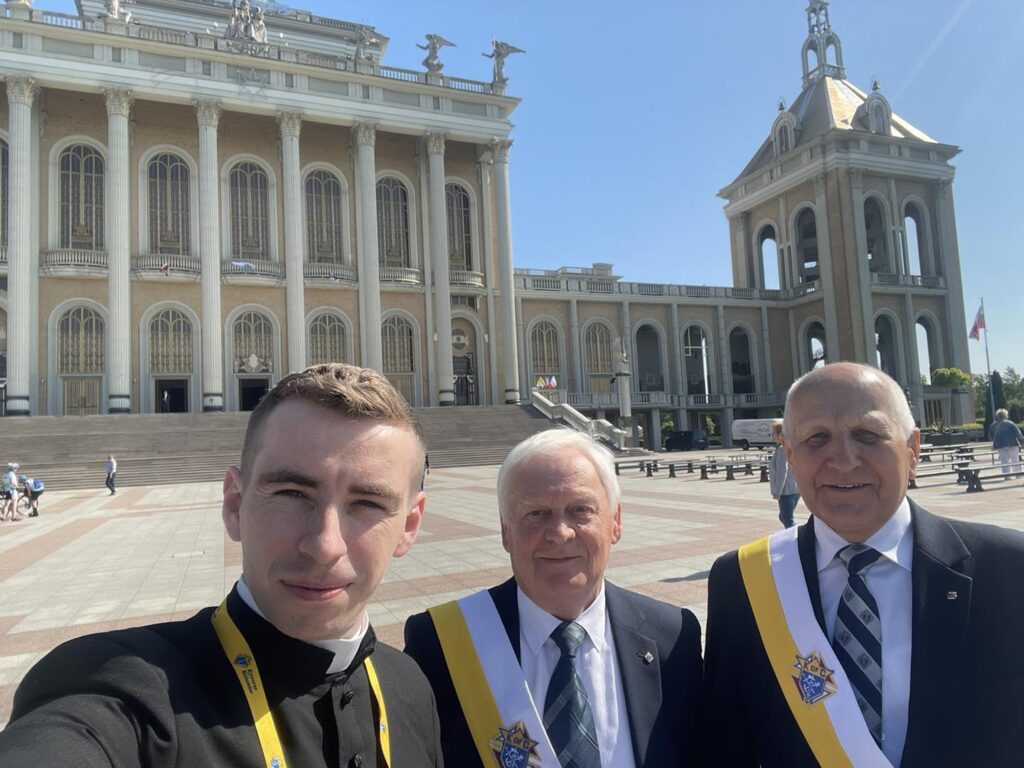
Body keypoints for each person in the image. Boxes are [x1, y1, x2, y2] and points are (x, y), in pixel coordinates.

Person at [0, 363, 443, 766]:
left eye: (367, 503)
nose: (325, 546)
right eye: (291, 493)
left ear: (408, 525)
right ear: (234, 505)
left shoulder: (410, 686)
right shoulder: (120, 686)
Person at [702, 362, 1024, 767]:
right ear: (790, 454)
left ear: (913, 450)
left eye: (867, 435)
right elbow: (725, 746)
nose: (843, 459)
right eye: (817, 438)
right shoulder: (743, 582)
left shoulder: (1009, 570)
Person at [405, 429, 703, 767]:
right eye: (536, 514)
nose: (560, 534)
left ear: (615, 522)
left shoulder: (672, 638)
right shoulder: (441, 643)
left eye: (580, 510)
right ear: (506, 532)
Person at [769, 420, 801, 528]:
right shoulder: (790, 447)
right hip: (795, 489)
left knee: (787, 519)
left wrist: (778, 491)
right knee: (784, 517)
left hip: (786, 490)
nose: (771, 435)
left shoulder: (783, 449)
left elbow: (783, 470)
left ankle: (796, 540)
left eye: (773, 433)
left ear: (780, 434)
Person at [989, 408, 1023, 478]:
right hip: (1012, 444)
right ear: (1005, 415)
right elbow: (1018, 433)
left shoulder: (993, 425)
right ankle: (1018, 475)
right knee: (1015, 460)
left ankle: (1007, 476)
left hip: (1001, 446)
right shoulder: (1010, 423)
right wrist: (1022, 441)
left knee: (1004, 461)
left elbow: (991, 435)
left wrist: (995, 443)